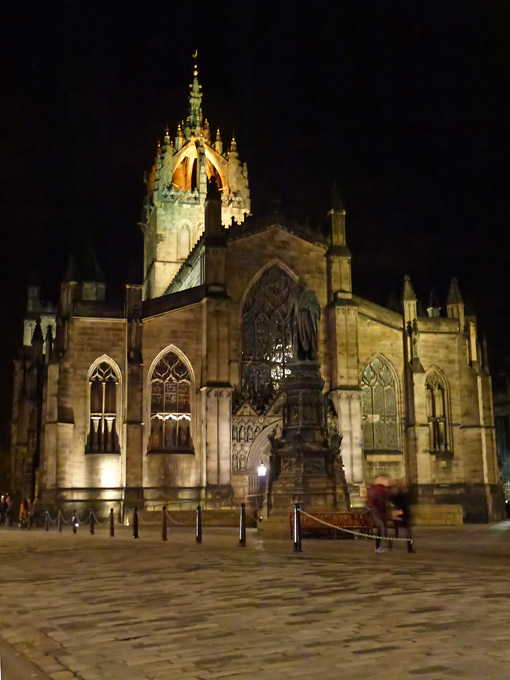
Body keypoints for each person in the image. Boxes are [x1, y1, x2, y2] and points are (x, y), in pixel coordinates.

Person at [391, 479, 415, 553]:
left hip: (404, 514)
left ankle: (410, 547)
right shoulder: (398, 495)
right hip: (400, 514)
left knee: (408, 533)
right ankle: (409, 547)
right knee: (406, 532)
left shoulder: (402, 494)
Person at [367, 476, 390, 553]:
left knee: (381, 528)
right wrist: (384, 512)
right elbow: (381, 502)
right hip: (377, 511)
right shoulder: (380, 490)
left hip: (374, 511)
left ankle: (379, 546)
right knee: (380, 528)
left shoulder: (373, 489)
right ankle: (378, 547)